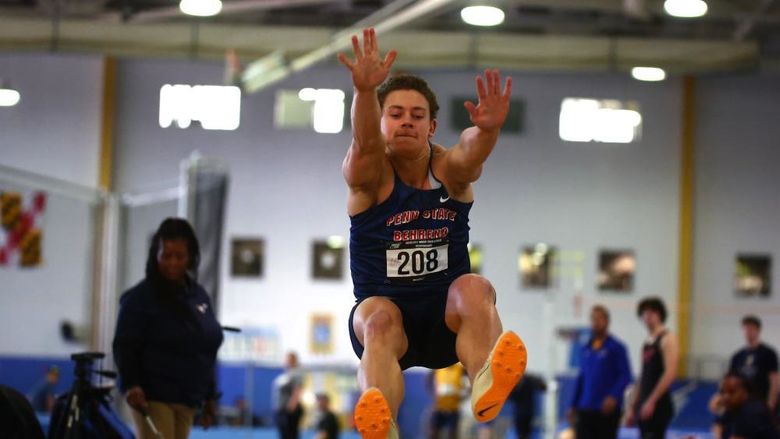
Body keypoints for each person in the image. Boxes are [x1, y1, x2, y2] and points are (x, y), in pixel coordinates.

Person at [337, 27, 527, 439]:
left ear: (432, 126)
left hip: (448, 322)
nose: (406, 121)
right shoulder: (368, 176)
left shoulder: (447, 172)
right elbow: (366, 141)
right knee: (378, 319)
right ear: (381, 119)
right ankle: (380, 419)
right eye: (396, 113)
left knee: (476, 286)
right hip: (388, 326)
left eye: (416, 115)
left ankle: (485, 381)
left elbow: (469, 156)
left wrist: (489, 131)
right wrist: (365, 92)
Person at [112, 217, 224, 439]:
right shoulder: (139, 299)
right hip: (152, 397)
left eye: (179, 256)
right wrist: (132, 384)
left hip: (188, 398)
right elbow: (125, 346)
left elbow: (205, 347)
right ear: (156, 255)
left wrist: (209, 395)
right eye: (166, 255)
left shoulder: (198, 296)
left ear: (190, 257)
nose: (172, 263)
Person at [568, 305, 632, 439]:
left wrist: (613, 396)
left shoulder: (616, 347)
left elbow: (625, 375)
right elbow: (581, 378)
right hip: (585, 408)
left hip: (606, 410)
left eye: (599, 319)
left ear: (607, 321)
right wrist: (573, 405)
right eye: (593, 319)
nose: (595, 322)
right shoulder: (586, 349)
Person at [626, 297, 679, 439]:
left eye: (651, 313)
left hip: (658, 404)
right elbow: (643, 376)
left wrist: (652, 400)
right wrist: (632, 406)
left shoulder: (668, 338)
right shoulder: (647, 342)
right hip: (644, 403)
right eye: (644, 313)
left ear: (660, 314)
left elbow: (670, 373)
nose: (647, 317)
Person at [729, 315, 778, 413]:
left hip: (761, 402)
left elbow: (774, 380)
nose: (748, 332)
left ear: (758, 330)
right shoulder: (737, 356)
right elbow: (731, 381)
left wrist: (771, 402)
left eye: (751, 329)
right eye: (746, 329)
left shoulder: (768, 353)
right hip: (742, 403)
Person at [718, 372, 779, 439]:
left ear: (745, 391)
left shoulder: (751, 412)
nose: (726, 397)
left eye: (732, 392)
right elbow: (718, 426)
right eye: (722, 392)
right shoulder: (732, 408)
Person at [427, 363, 468, 439]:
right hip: (439, 407)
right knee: (434, 432)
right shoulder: (437, 366)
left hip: (454, 408)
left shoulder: (460, 368)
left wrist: (464, 393)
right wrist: (433, 394)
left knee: (452, 433)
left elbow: (470, 379)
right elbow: (428, 380)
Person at [273, 351, 304, 439]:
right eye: (286, 360)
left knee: (290, 434)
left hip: (289, 410)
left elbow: (298, 390)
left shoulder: (296, 373)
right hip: (282, 409)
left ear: (294, 361)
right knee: (283, 434)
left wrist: (291, 407)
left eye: (289, 360)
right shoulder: (287, 374)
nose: (287, 362)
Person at [509, 372, 547, 439]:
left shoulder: (529, 379)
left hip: (526, 412)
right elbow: (511, 396)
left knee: (526, 433)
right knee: (522, 433)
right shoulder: (516, 381)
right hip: (521, 413)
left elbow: (543, 387)